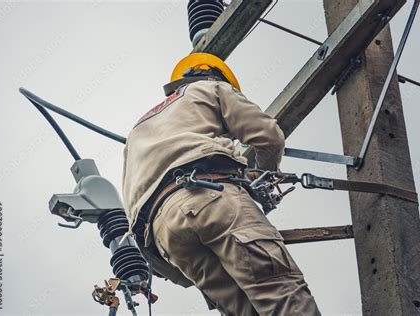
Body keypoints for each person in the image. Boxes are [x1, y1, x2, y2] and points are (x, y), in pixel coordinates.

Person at [122, 52, 320, 315]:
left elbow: (132, 214)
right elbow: (269, 137)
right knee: (282, 296)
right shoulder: (211, 87)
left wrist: (171, 268)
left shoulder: (137, 132)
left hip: (165, 235)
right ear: (213, 73)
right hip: (211, 198)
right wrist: (263, 178)